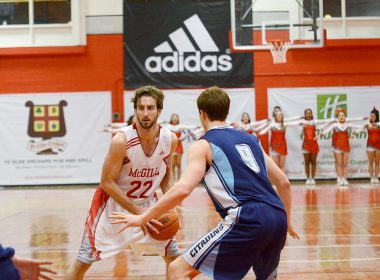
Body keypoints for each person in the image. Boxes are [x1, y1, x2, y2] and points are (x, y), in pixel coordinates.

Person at [110, 86, 299, 280]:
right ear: (227, 111)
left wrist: (143, 217)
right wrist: (288, 221)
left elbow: (183, 189)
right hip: (277, 216)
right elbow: (283, 183)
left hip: (247, 217)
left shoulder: (204, 144)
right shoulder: (252, 140)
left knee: (177, 270)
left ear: (201, 113)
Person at [64, 86, 181, 280]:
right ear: (135, 110)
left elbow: (165, 174)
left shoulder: (170, 139)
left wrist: (170, 205)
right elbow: (106, 182)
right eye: (141, 108)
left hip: (147, 204)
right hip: (112, 206)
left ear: (159, 111)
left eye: (150, 108)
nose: (145, 113)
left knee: (174, 259)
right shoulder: (122, 141)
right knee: (82, 262)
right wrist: (139, 214)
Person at [321, 108, 363, 187]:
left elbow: (358, 126)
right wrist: (321, 134)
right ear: (337, 117)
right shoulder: (335, 125)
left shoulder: (348, 124)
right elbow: (327, 130)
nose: (341, 117)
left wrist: (357, 132)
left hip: (346, 146)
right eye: (340, 115)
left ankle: (345, 179)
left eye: (343, 115)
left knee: (345, 164)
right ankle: (340, 178)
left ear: (345, 116)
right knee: (339, 164)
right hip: (337, 147)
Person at [164, 114, 199, 181]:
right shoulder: (168, 127)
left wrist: (197, 127)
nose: (174, 119)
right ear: (171, 119)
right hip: (172, 146)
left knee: (178, 164)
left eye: (176, 118)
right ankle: (173, 180)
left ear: (178, 119)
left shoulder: (180, 126)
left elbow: (189, 127)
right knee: (173, 165)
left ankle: (179, 180)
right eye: (173, 118)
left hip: (179, 146)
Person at [362, 107, 380, 184]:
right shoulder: (368, 124)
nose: (371, 118)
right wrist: (356, 131)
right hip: (370, 146)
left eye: (373, 116)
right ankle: (371, 177)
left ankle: (376, 177)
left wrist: (375, 124)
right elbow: (360, 128)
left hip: (378, 145)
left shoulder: (379, 124)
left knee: (377, 162)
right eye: (371, 116)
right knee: (371, 162)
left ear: (376, 117)